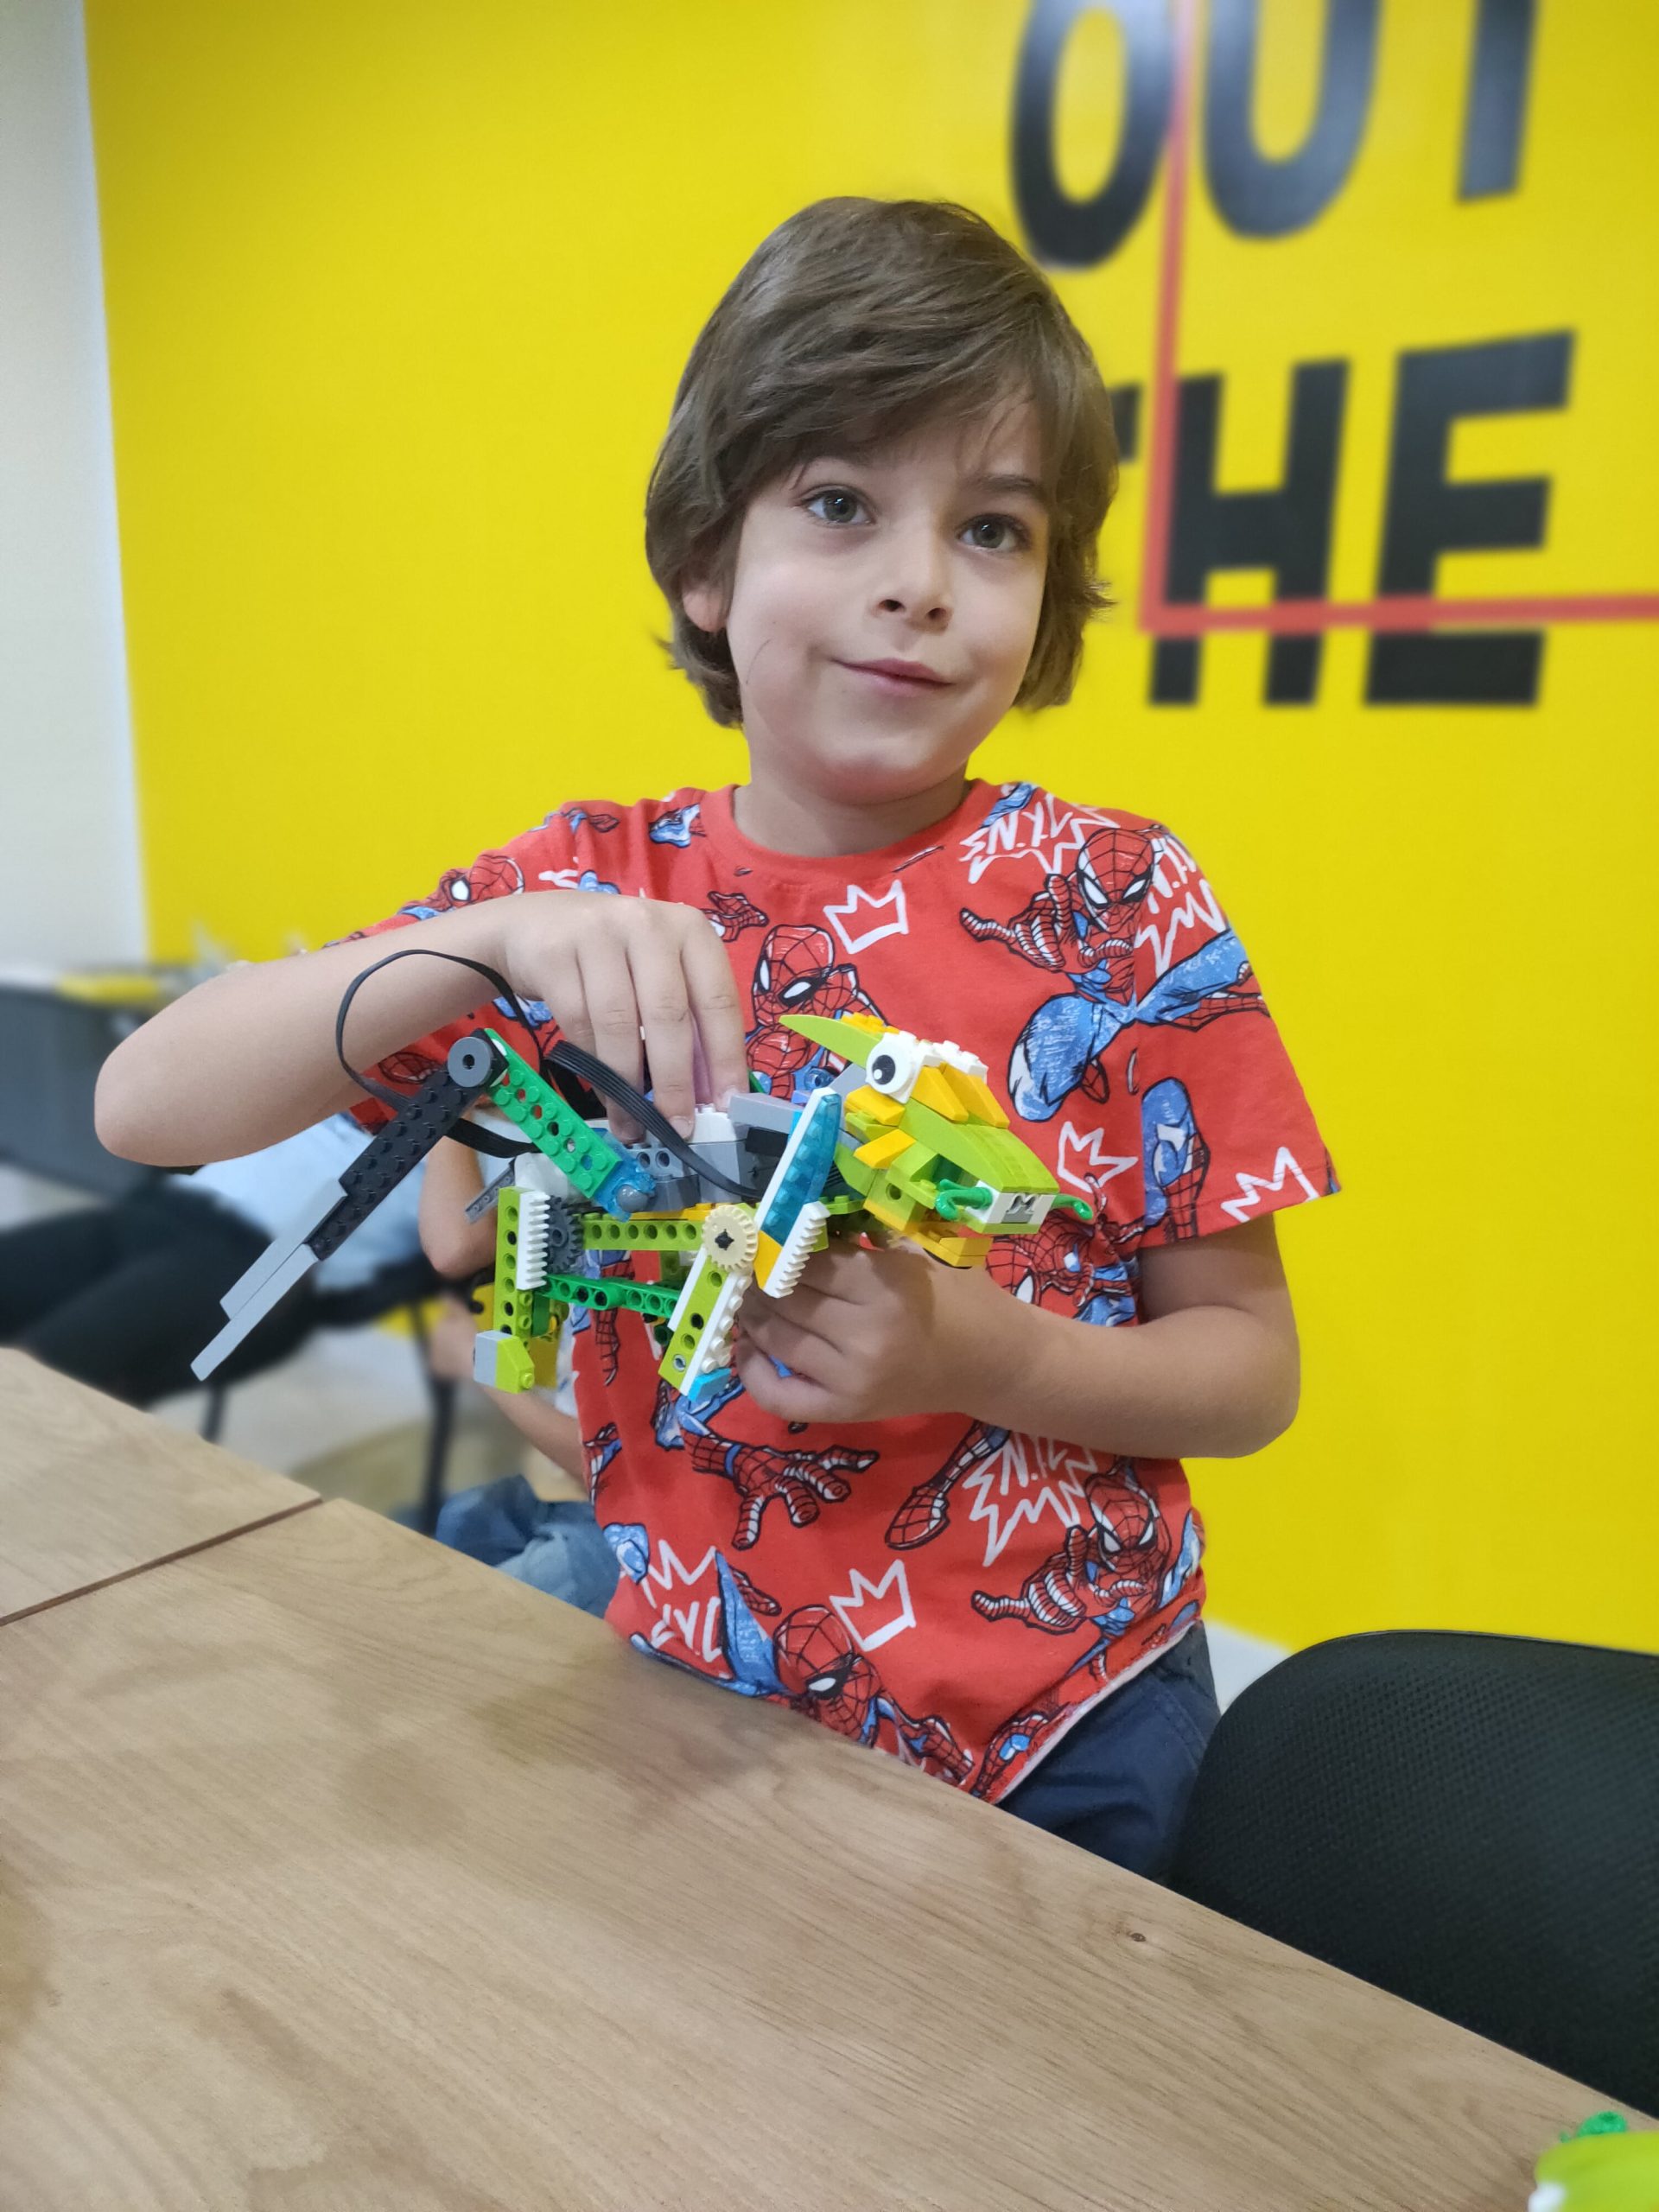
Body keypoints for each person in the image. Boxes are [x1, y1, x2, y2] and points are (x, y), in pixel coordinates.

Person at [96, 198, 1337, 1879]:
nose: (918, 583)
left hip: (1064, 1727)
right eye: (840, 504)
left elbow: (1249, 1373)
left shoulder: (1118, 900)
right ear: (706, 559)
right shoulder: (575, 891)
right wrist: (478, 943)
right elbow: (145, 1104)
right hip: (694, 1685)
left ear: (1049, 596)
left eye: (992, 529)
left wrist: (980, 1358)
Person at [0, 1114, 425, 1406]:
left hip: (258, 1267)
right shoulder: (356, 1062)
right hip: (163, 1210)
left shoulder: (459, 1143)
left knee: (35, 1376)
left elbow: (451, 1255)